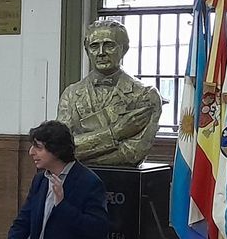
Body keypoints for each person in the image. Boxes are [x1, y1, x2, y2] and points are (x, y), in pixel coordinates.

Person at [55, 18, 164, 166]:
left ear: (124, 49)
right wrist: (116, 132)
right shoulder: (71, 94)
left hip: (124, 182)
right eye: (94, 46)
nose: (101, 53)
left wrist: (81, 153)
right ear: (87, 51)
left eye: (109, 45)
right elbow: (61, 147)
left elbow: (132, 154)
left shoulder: (145, 95)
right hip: (77, 182)